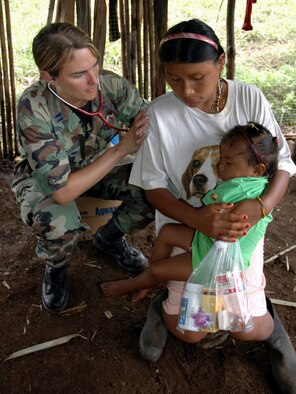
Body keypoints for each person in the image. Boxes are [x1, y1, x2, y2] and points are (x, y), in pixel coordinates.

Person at [128, 19, 296, 393]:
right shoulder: (158, 115)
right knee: (190, 333)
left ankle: (271, 323)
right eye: (173, 79)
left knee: (248, 329)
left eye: (197, 77)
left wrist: (261, 205)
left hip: (242, 232)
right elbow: (153, 187)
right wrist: (198, 219)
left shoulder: (249, 98)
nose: (186, 90)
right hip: (187, 226)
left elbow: (282, 164)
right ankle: (162, 303)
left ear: (221, 62)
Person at [11, 22, 155, 314]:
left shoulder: (111, 86)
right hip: (48, 182)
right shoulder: (34, 108)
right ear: (49, 77)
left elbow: (151, 122)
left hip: (98, 167)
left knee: (154, 190)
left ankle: (109, 238)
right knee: (56, 222)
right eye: (78, 74)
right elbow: (62, 191)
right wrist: (120, 150)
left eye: (95, 66)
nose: (94, 81)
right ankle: (57, 266)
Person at [101, 122, 277, 301]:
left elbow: (206, 214)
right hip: (209, 242)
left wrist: (175, 202)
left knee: (156, 268)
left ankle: (141, 281)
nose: (220, 165)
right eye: (221, 158)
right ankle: (154, 278)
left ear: (257, 170)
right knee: (168, 232)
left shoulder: (235, 189)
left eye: (228, 162)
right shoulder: (259, 184)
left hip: (217, 261)